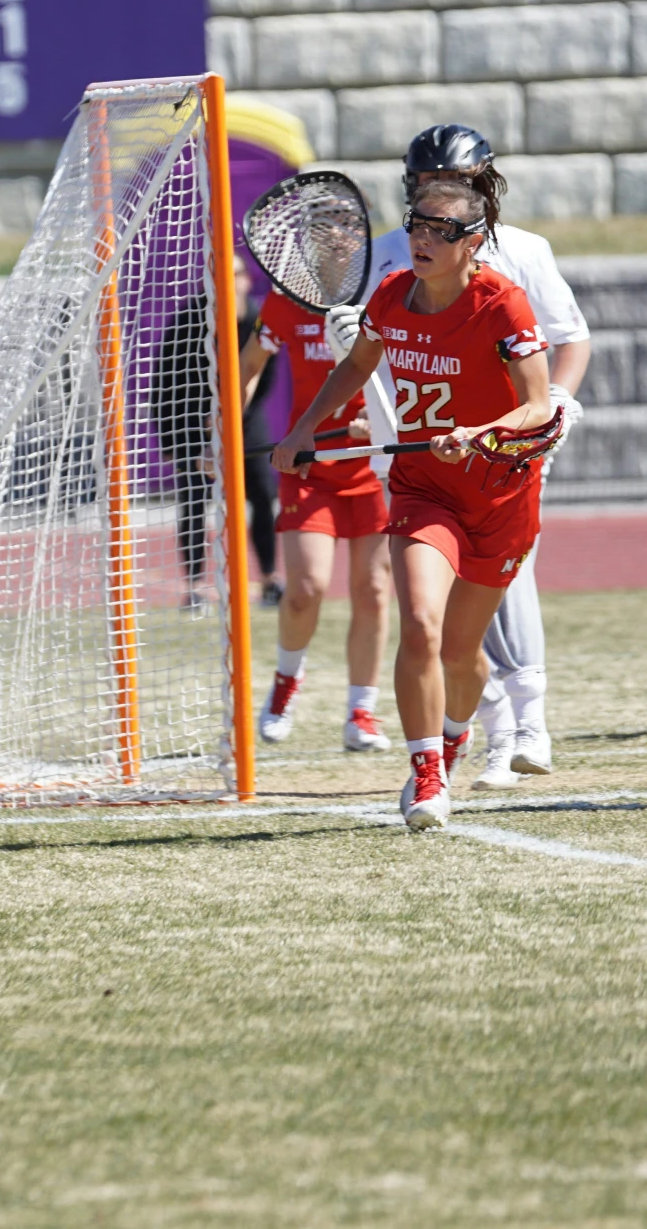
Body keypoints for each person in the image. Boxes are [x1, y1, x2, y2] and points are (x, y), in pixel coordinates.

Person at [276, 167, 554, 831]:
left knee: (462, 653)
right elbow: (357, 363)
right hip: (423, 488)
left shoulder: (502, 304)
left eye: (440, 229)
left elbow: (539, 405)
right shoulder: (394, 295)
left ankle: (454, 737)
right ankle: (427, 770)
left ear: (472, 240)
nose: (422, 240)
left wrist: (482, 432)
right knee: (421, 624)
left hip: (499, 495)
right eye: (416, 225)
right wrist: (304, 428)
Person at [363, 126, 588, 790]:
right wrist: (338, 332)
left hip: (501, 448)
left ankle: (526, 723)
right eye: (421, 188)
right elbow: (364, 349)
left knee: (499, 591)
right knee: (430, 618)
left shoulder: (522, 254)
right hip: (409, 451)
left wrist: (559, 405)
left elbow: (569, 339)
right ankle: (467, 741)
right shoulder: (386, 257)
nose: (430, 211)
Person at [235, 279, 393, 753]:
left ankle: (361, 712)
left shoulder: (389, 291)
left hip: (375, 463)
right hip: (309, 462)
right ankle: (286, 680)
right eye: (323, 224)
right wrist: (223, 433)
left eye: (345, 224)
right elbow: (248, 365)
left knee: (373, 590)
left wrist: (385, 422)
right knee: (306, 589)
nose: (335, 236)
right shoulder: (285, 306)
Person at [147, 263, 282, 620]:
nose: (228, 280)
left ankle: (270, 579)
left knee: (262, 496)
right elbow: (165, 383)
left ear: (246, 280)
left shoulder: (257, 319)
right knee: (194, 501)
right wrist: (179, 440)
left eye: (236, 273)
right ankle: (194, 588)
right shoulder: (189, 321)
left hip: (244, 422)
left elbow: (264, 377)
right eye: (222, 273)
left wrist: (233, 418)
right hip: (194, 425)